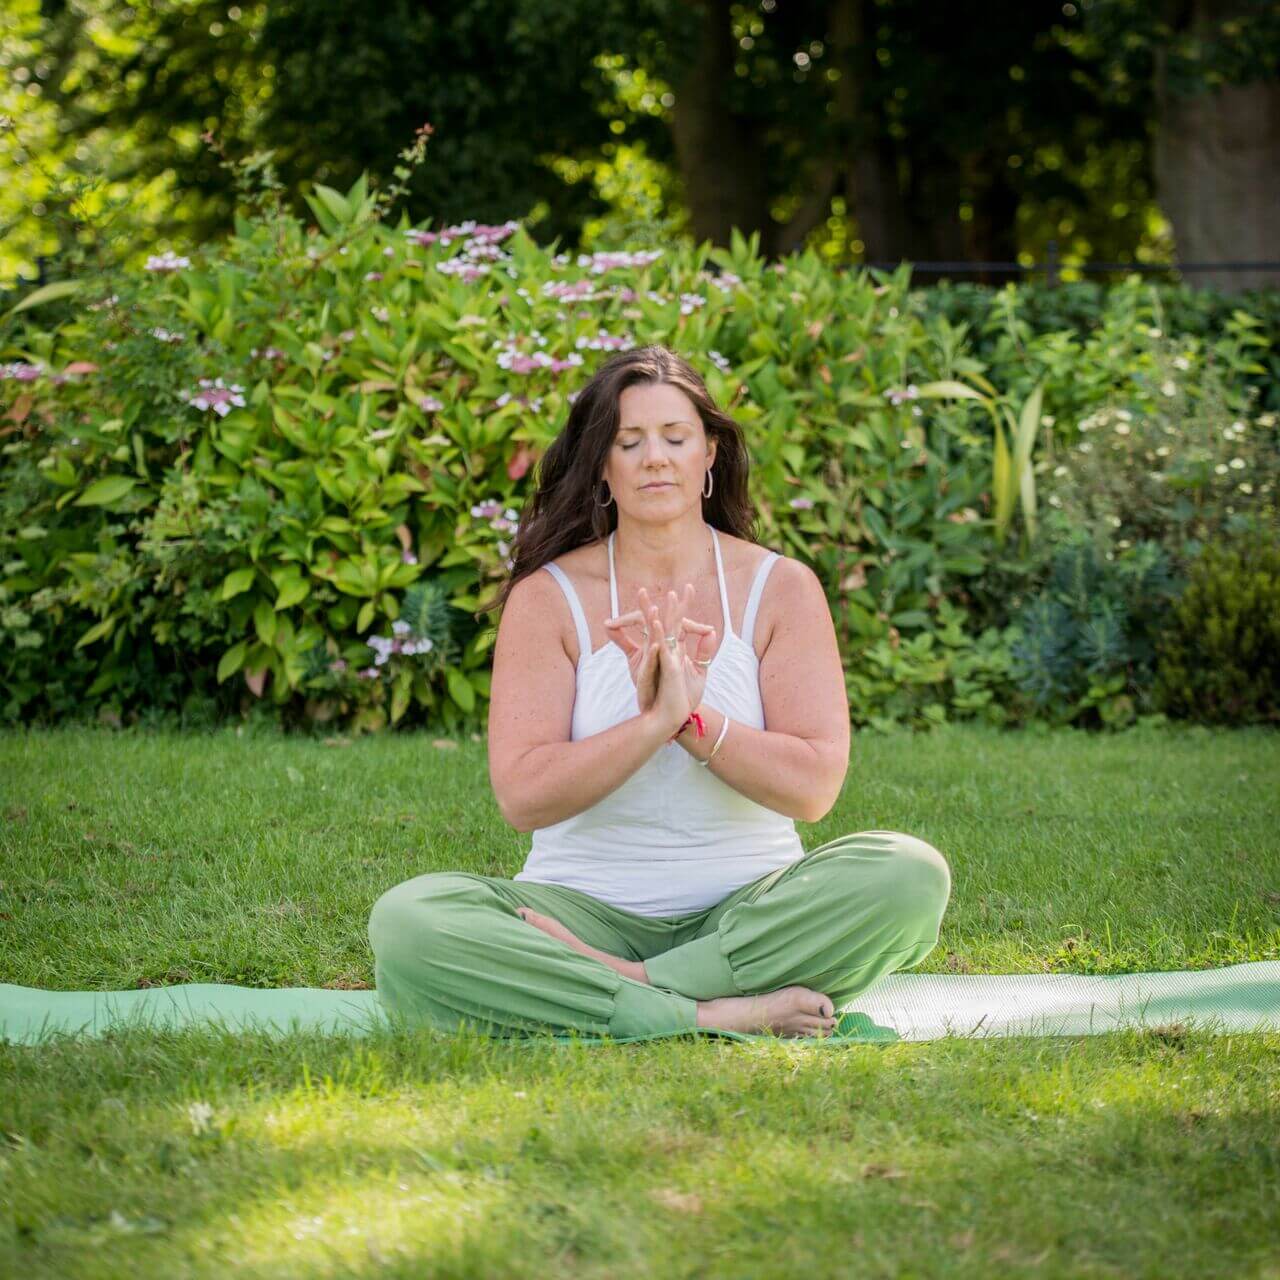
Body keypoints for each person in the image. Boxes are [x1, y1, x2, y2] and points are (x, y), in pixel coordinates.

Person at [368, 345, 951, 1040]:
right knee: (409, 923)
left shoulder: (781, 587)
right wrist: (651, 724)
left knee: (909, 876)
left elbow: (813, 788)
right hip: (580, 913)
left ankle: (630, 988)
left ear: (709, 455)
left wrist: (691, 722)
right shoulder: (548, 597)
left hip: (750, 915)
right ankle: (713, 1011)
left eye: (675, 438)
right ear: (602, 466)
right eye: (629, 442)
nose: (655, 459)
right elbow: (523, 797)